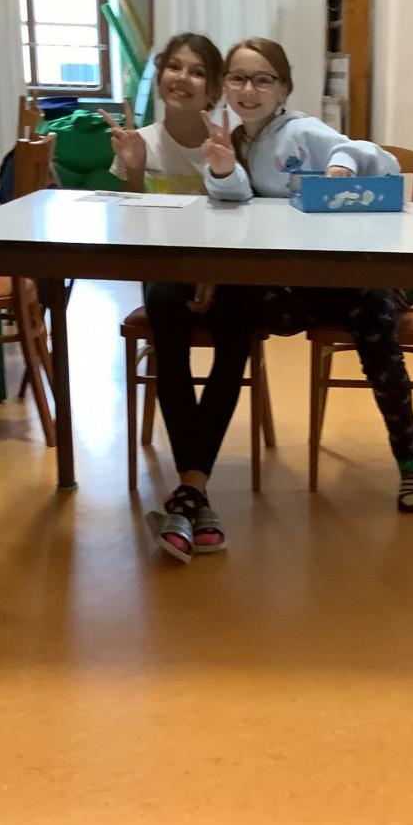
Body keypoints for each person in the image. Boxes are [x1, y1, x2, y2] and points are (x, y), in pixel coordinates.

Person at [200, 37, 413, 513]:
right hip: (301, 284)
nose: (249, 90)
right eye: (238, 79)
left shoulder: (302, 130)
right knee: (241, 304)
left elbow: (374, 158)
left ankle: (410, 459)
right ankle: (197, 466)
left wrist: (343, 163)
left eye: (263, 80)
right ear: (225, 85)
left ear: (283, 89)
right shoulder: (236, 140)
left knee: (374, 319)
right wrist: (223, 169)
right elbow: (236, 199)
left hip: (358, 275)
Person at [103, 33, 255, 562]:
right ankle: (196, 493)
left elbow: (243, 219)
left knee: (238, 327)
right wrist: (135, 169)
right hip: (165, 274)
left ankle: (190, 489)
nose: (181, 78)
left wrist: (213, 271)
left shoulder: (228, 141)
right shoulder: (140, 141)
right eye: (173, 67)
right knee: (167, 316)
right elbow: (132, 229)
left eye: (196, 71)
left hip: (225, 272)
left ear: (213, 90)